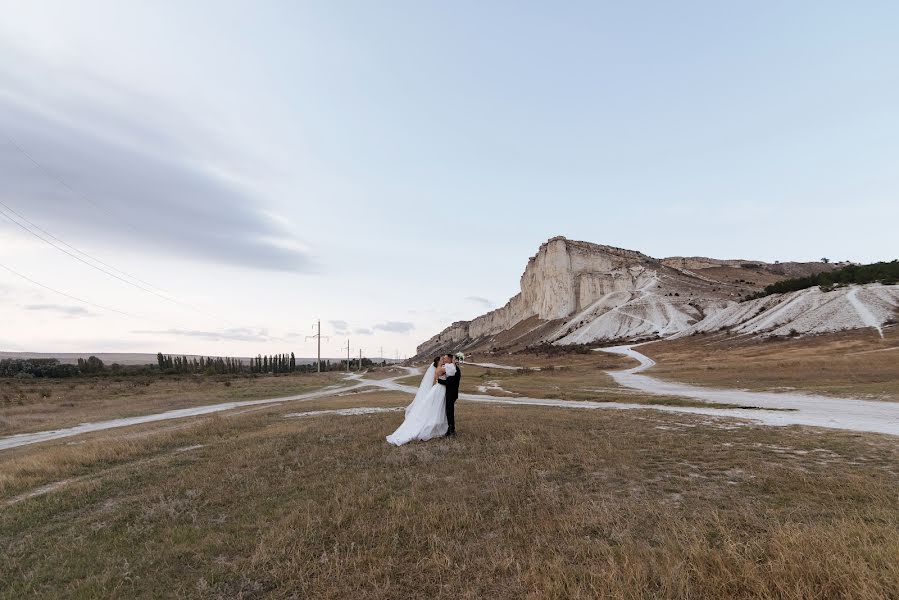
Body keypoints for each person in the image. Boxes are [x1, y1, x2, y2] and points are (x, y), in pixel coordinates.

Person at [385, 356, 451, 446]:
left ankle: (438, 425)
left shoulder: (441, 368)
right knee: (437, 407)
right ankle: (434, 426)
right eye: (442, 359)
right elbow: (448, 372)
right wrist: (453, 364)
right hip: (440, 388)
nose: (443, 360)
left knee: (438, 407)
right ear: (438, 362)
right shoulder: (440, 369)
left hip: (440, 388)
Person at [436, 353, 462, 437]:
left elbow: (449, 382)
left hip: (451, 393)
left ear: (450, 359)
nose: (444, 360)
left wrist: (438, 381)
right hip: (450, 393)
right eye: (443, 359)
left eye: (446, 358)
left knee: (449, 412)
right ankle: (450, 430)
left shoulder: (454, 369)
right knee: (449, 412)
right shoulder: (451, 368)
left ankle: (451, 431)